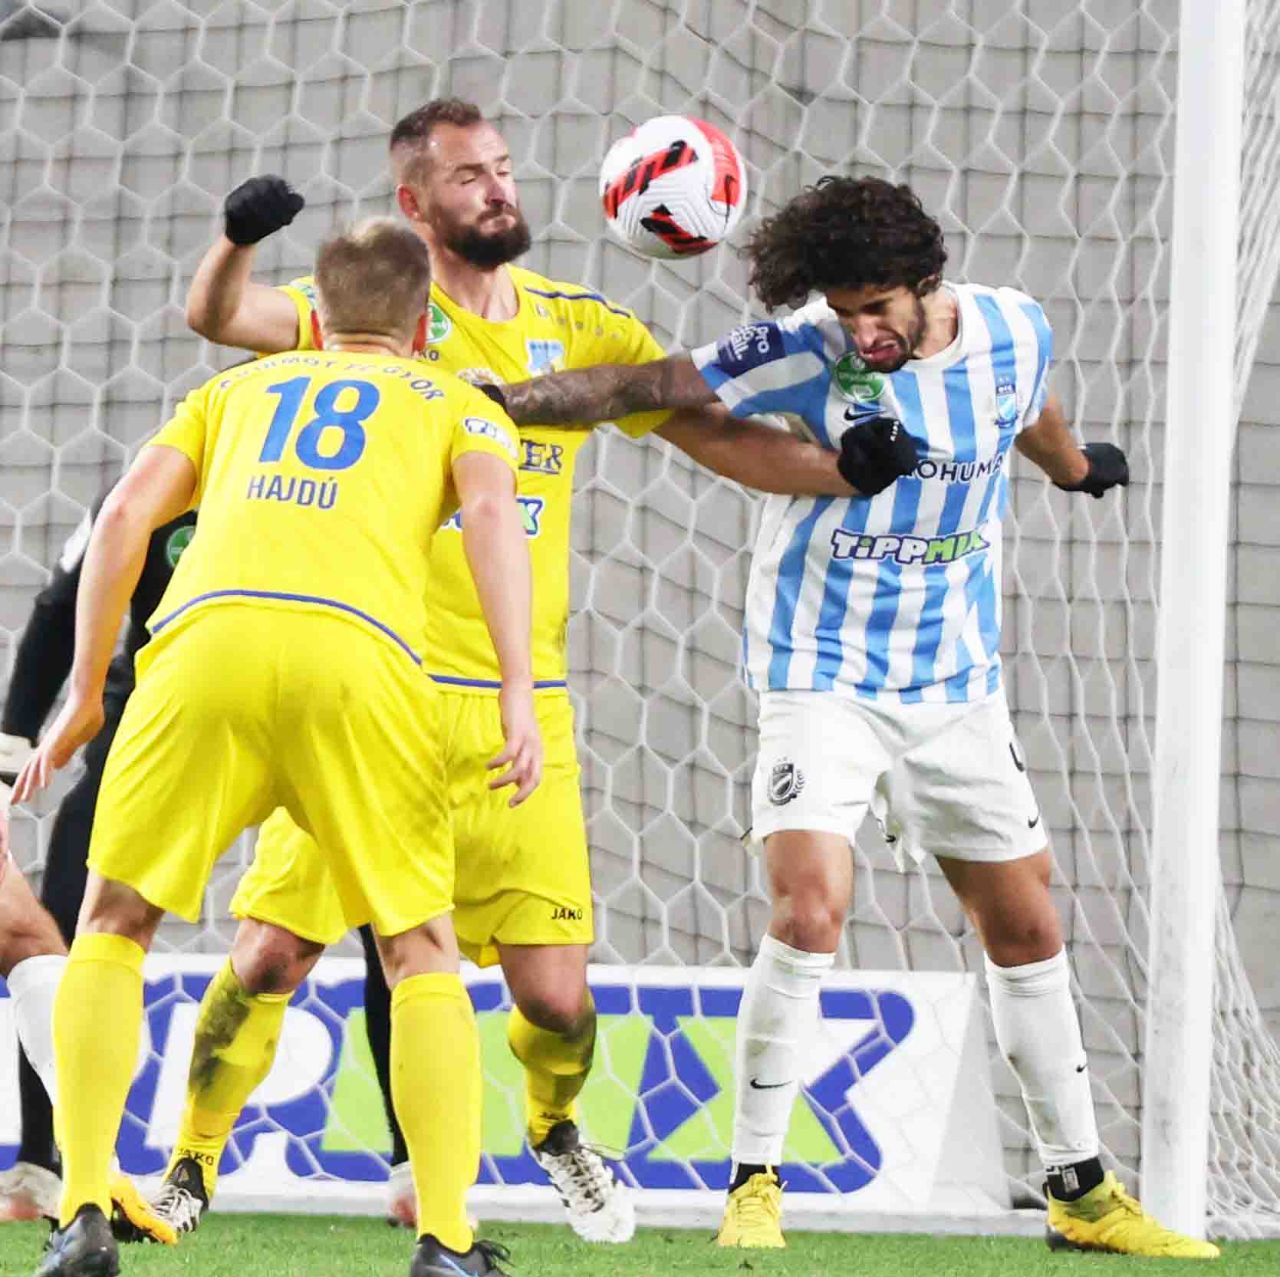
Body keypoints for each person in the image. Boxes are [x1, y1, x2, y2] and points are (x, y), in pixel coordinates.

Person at [150, 98, 855, 1244]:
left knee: (555, 999)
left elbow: (713, 431)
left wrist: (843, 471)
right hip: (369, 692)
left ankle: (556, 1126)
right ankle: (189, 1161)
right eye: (468, 174)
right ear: (413, 201)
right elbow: (221, 314)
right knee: (271, 954)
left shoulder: (578, 328)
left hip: (515, 712)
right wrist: (236, 238)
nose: (496, 188)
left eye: (504, 168)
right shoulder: (371, 325)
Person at [494, 175, 1220, 1260]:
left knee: (1026, 924)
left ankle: (1078, 1190)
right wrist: (496, 398)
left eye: (878, 307)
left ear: (927, 282)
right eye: (845, 310)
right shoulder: (805, 347)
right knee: (810, 909)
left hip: (954, 680)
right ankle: (753, 1184)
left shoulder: (1013, 326)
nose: (862, 332)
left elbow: (1027, 405)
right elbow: (652, 386)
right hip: (819, 669)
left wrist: (1072, 468)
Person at [12, 217, 538, 1277]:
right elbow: (490, 517)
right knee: (418, 947)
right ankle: (444, 1237)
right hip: (359, 659)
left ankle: (83, 1212)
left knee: (112, 923)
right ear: (424, 323)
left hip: (201, 650)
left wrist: (84, 693)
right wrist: (517, 686)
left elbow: (122, 518)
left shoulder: (234, 391)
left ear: (317, 313)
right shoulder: (459, 402)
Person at [0, 500, 194, 1223]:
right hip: (152, 715)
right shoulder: (154, 482)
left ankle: (416, 1169)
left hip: (310, 704)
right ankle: (51, 1165)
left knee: (385, 917)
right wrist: (8, 757)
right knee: (49, 920)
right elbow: (60, 611)